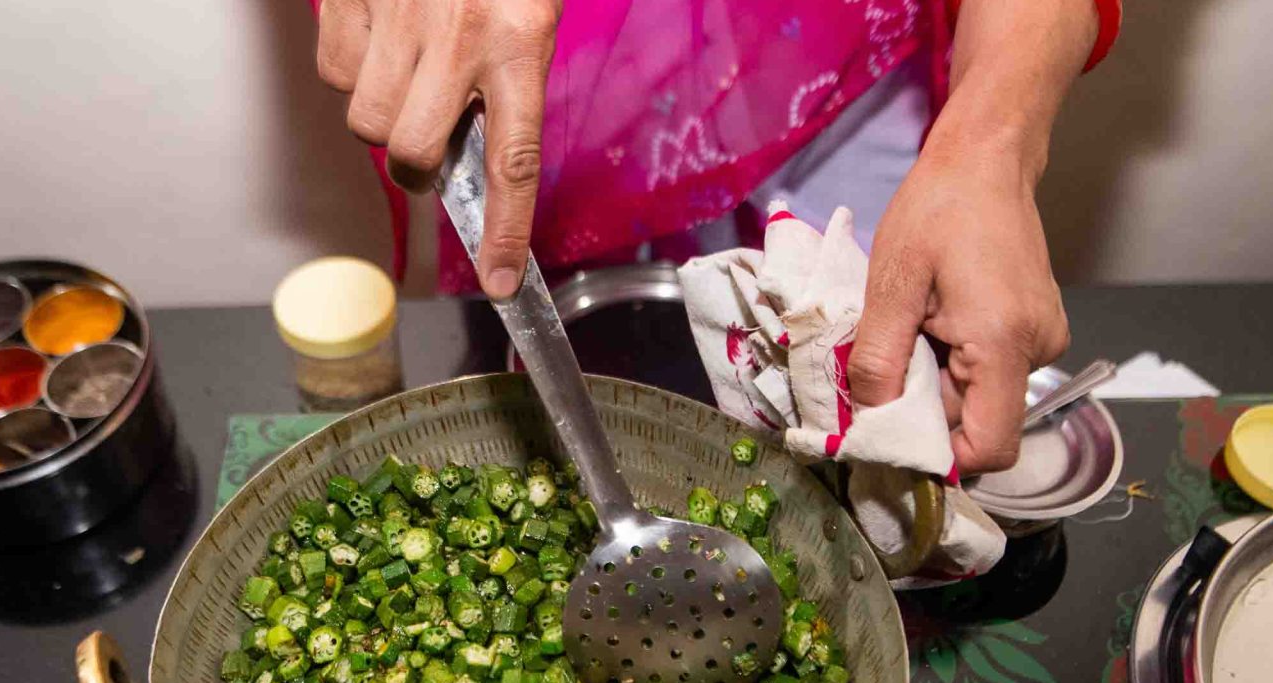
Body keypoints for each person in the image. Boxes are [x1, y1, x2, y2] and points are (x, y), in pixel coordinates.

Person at [311, 0, 1120, 473]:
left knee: (880, 412)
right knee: (556, 435)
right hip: (563, 61)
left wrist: (992, 138)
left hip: (832, 49)